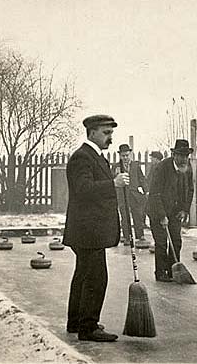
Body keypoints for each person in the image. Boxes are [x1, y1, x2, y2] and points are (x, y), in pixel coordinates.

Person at [63, 114, 128, 342]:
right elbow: (82, 189)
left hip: (88, 230)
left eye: (111, 133)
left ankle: (76, 322)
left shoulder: (95, 156)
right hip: (88, 231)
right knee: (96, 278)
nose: (110, 138)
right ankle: (88, 328)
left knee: (82, 275)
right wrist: (113, 183)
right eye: (106, 133)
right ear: (92, 133)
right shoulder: (82, 157)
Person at [148, 139, 194, 282]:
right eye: (181, 155)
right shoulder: (162, 168)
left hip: (175, 211)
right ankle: (161, 273)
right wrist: (162, 215)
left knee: (176, 241)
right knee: (161, 243)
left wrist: (184, 210)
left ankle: (173, 270)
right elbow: (154, 193)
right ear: (174, 155)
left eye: (187, 156)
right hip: (157, 210)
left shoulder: (187, 167)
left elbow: (190, 190)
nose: (184, 159)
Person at [112, 144, 148, 244]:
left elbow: (142, 179)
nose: (125, 158)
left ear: (130, 154)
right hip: (122, 195)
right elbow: (112, 180)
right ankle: (127, 237)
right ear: (120, 155)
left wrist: (146, 190)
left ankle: (140, 236)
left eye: (127, 155)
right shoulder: (116, 166)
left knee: (138, 215)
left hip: (134, 195)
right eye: (123, 156)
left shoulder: (135, 165)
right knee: (124, 215)